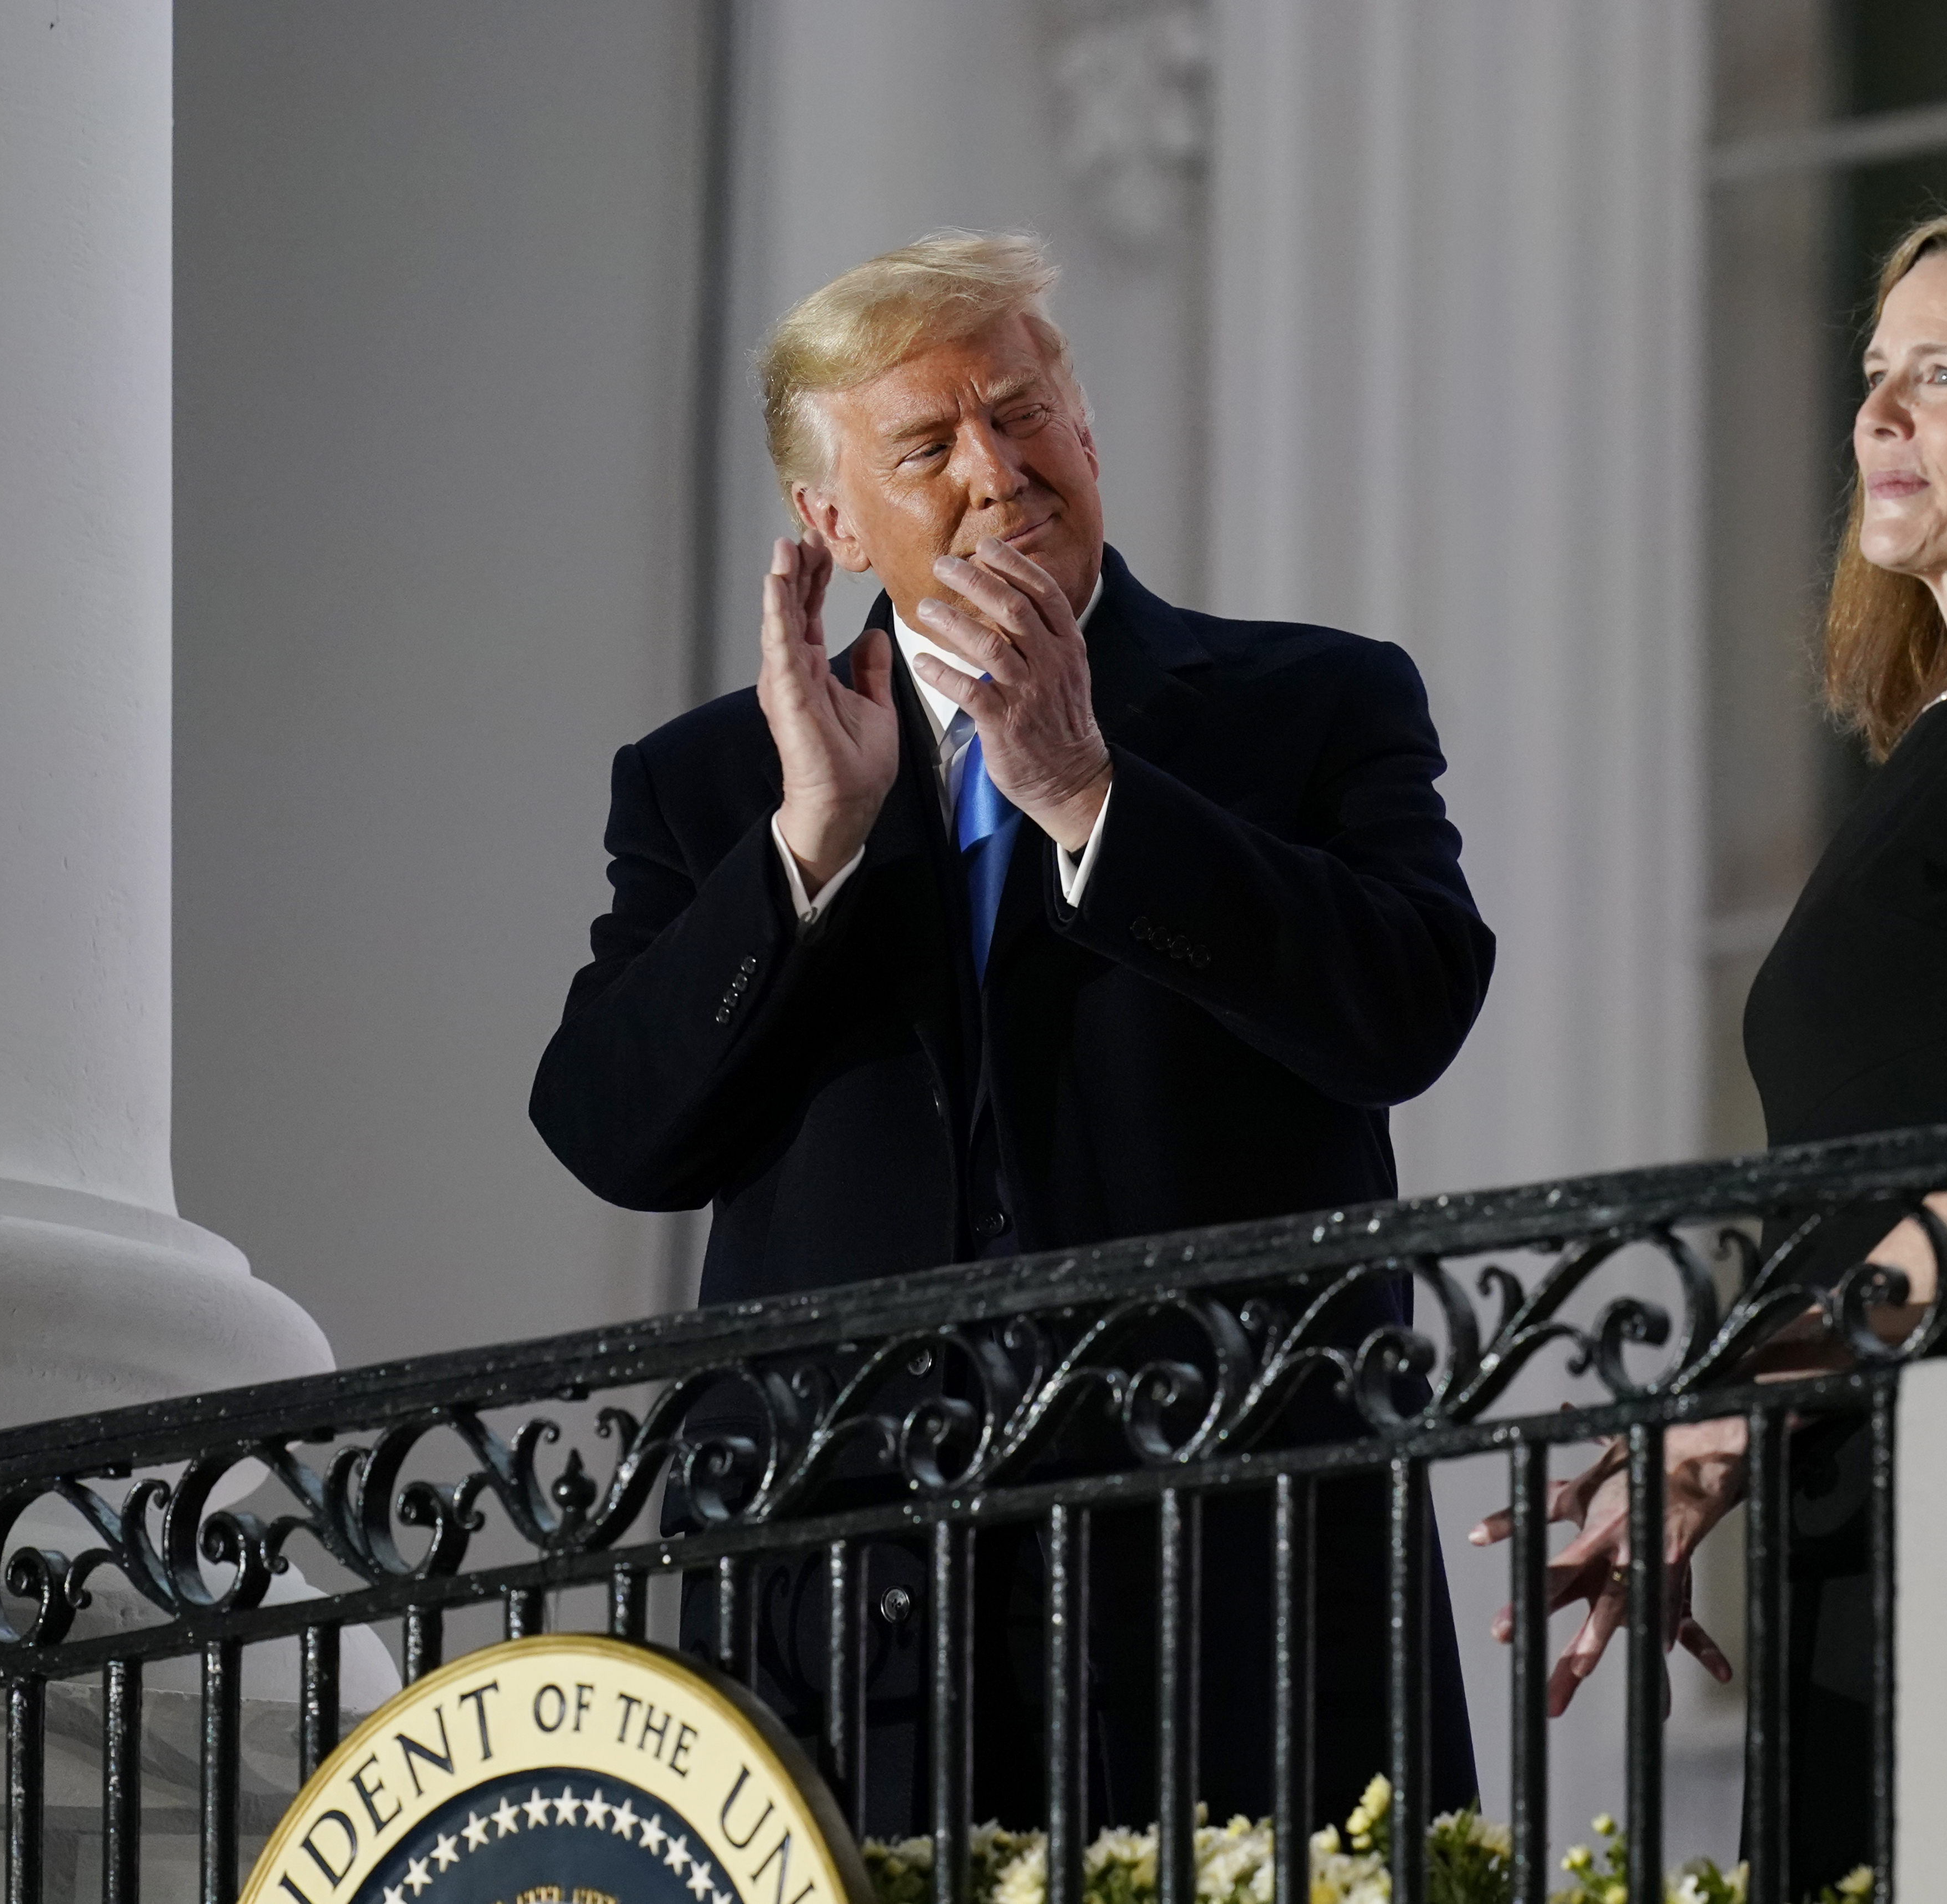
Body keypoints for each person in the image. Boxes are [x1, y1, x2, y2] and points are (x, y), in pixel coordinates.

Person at [531, 232, 1489, 1835]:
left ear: (1087, 430)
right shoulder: (711, 783)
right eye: (927, 444)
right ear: (832, 524)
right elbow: (608, 1127)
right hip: (852, 1603)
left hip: (1226, 1561)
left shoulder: (1311, 703)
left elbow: (1407, 1005)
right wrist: (806, 851)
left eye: (1027, 410)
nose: (998, 466)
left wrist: (1091, 797)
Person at [1474, 206, 1947, 1889]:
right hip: (1871, 1474)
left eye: (1945, 372)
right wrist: (1723, 1436)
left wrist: (1728, 1418)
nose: (1878, 415)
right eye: (1875, 375)